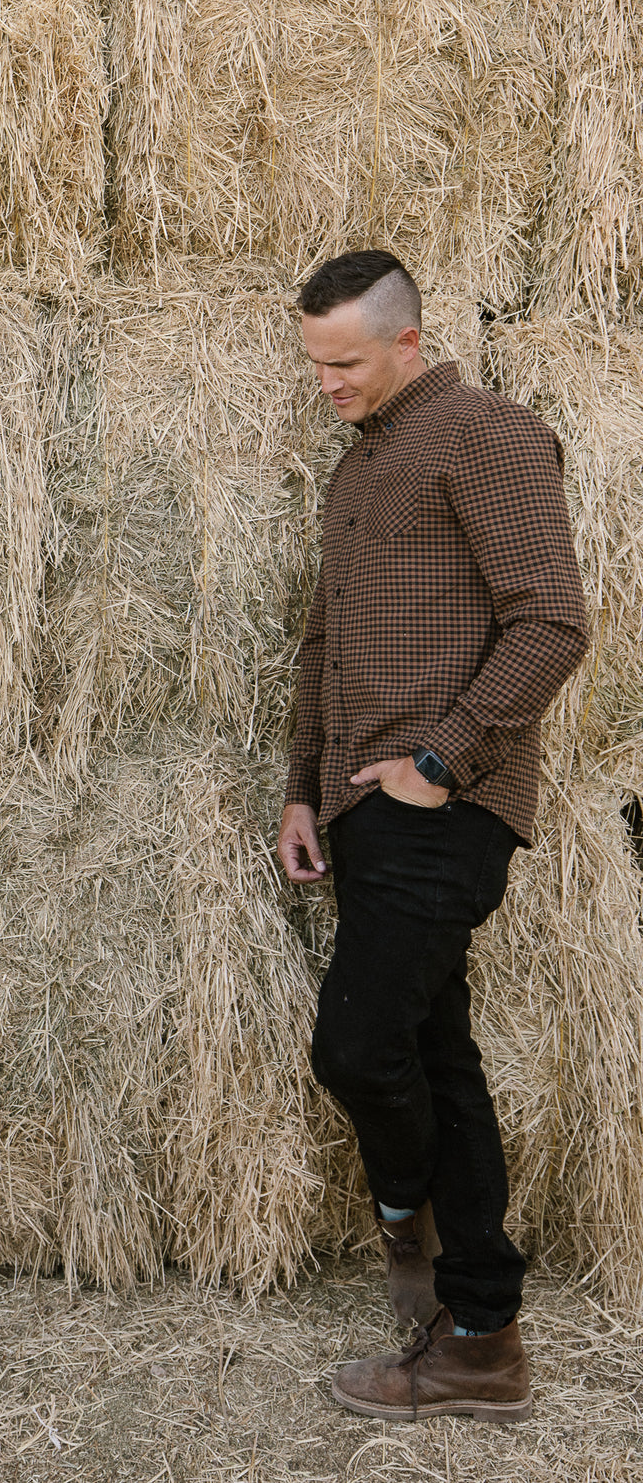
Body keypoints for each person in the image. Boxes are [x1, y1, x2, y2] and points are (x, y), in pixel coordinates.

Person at [276, 250, 587, 1423]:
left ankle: (416, 1227)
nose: (327, 384)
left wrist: (442, 758)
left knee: (357, 1050)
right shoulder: (362, 467)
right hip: (363, 813)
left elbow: (553, 621)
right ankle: (479, 1342)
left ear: (408, 340)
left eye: (344, 362)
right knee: (435, 1055)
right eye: (314, 364)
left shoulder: (485, 435)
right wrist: (306, 791)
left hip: (446, 810)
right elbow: (324, 648)